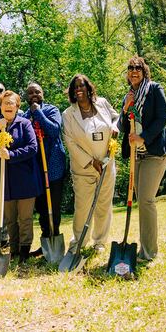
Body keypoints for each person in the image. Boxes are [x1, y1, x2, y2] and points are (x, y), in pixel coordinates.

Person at [118, 57, 166, 262]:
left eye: (138, 68)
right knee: (142, 202)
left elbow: (162, 119)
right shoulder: (128, 96)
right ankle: (144, 247)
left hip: (154, 153)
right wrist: (126, 108)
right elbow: (123, 127)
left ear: (144, 71)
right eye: (130, 68)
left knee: (147, 200)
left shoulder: (154, 89)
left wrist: (143, 137)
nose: (134, 71)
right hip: (137, 156)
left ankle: (149, 252)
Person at [62, 74, 119, 255]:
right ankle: (79, 242)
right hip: (84, 169)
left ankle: (100, 242)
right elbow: (70, 142)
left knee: (104, 205)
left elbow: (117, 118)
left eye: (81, 86)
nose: (79, 89)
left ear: (88, 87)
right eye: (75, 87)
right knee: (82, 208)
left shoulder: (102, 103)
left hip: (106, 166)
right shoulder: (68, 114)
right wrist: (91, 161)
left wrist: (115, 126)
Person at [0, 91, 42, 262]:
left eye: (12, 103)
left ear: (17, 106)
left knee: (25, 218)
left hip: (25, 179)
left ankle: (24, 250)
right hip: (4, 181)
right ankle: (14, 250)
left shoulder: (25, 124)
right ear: (0, 106)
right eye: (5, 103)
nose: (8, 106)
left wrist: (12, 155)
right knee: (9, 219)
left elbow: (33, 147)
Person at [22, 82, 67, 257]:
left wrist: (38, 112)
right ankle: (46, 242)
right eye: (30, 93)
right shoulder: (24, 117)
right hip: (36, 169)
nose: (34, 95)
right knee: (41, 207)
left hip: (53, 165)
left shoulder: (52, 110)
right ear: (26, 97)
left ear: (43, 94)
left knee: (53, 206)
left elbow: (54, 131)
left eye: (37, 92)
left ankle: (55, 237)